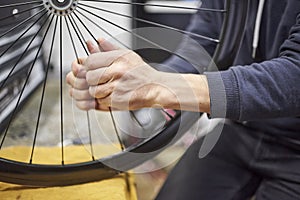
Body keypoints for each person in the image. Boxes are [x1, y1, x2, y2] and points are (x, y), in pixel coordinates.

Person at [66, 0, 300, 199]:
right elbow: (203, 46)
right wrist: (125, 88)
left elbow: (295, 76)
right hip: (242, 130)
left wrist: (158, 87)